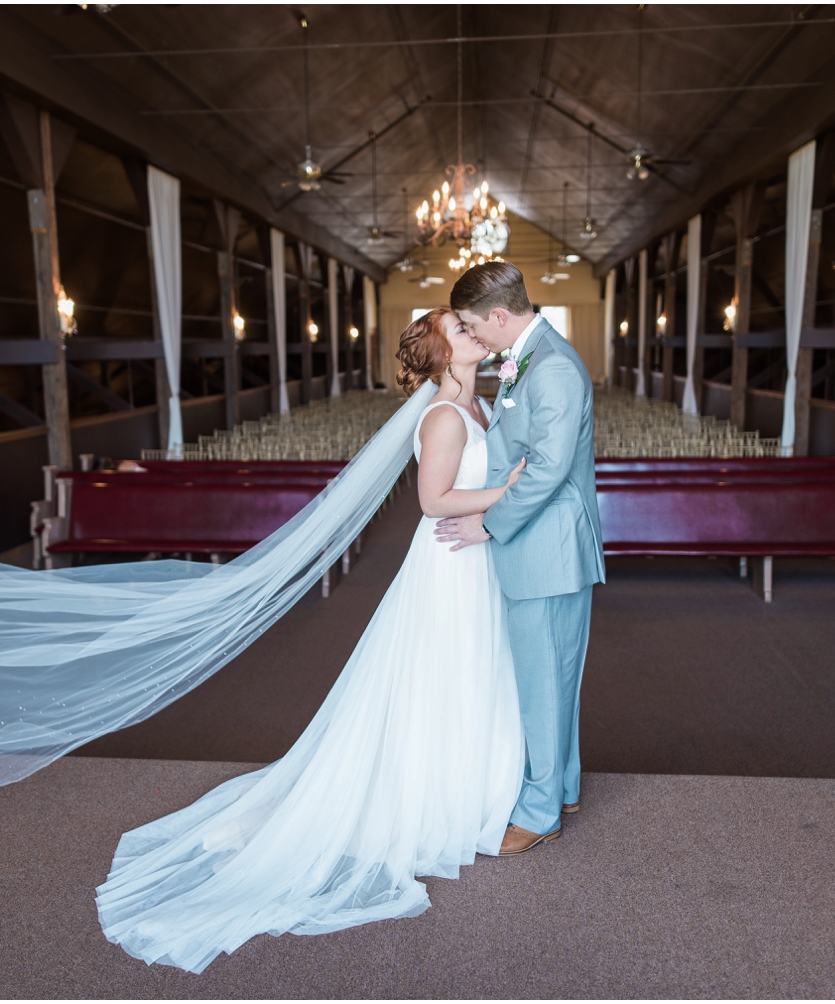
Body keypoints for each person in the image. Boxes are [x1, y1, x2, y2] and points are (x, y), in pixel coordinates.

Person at [94, 307, 527, 972]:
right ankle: (439, 797)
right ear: (442, 353)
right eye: (457, 328)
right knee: (445, 670)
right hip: (449, 558)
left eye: (470, 324)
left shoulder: (479, 403)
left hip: (474, 557)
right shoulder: (443, 413)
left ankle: (469, 785)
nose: (471, 330)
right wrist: (508, 491)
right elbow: (434, 500)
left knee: (470, 672)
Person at [435, 261, 606, 855]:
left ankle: (539, 814)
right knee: (552, 679)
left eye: (473, 326)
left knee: (543, 684)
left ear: (501, 316)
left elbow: (550, 470)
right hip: (543, 547)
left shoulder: (552, 367)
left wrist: (489, 521)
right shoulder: (529, 355)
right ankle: (562, 787)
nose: (474, 337)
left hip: (547, 548)